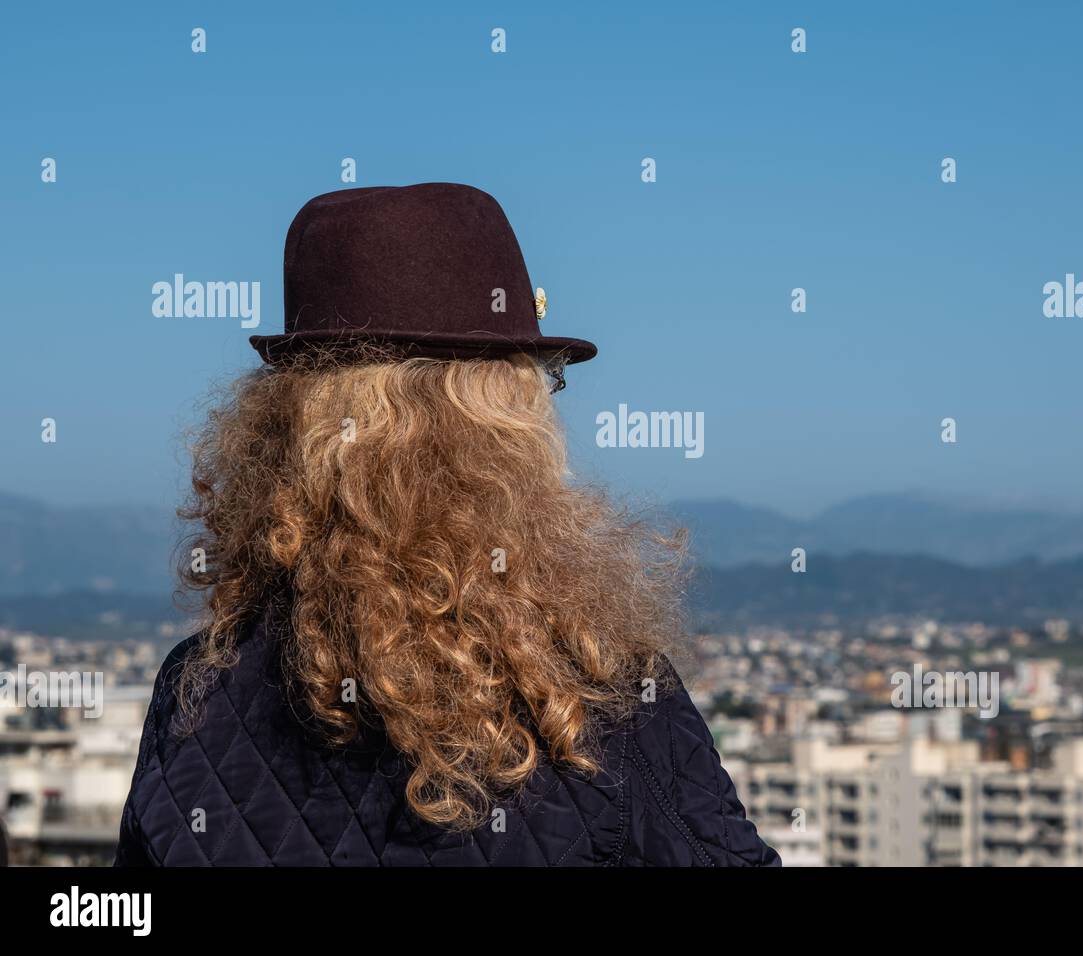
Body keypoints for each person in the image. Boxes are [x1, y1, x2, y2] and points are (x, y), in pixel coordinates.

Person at [114, 183, 779, 867]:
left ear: (281, 426)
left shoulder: (195, 691)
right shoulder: (596, 694)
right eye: (542, 382)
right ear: (505, 429)